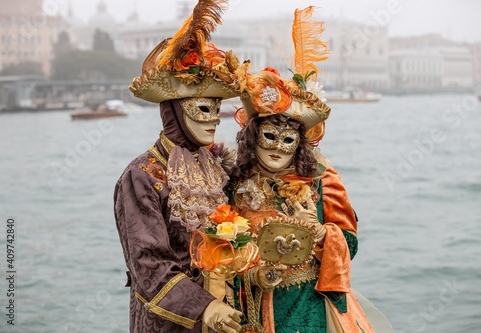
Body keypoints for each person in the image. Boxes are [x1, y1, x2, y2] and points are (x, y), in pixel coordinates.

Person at [228, 6, 392, 333]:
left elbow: (350, 244)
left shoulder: (321, 179)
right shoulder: (232, 182)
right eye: (269, 136)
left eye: (287, 139)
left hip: (312, 307)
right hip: (255, 306)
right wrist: (252, 273)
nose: (276, 147)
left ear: (299, 144)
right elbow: (218, 250)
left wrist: (319, 233)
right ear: (252, 138)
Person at [114, 1, 245, 332]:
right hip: (170, 323)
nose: (214, 119)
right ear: (173, 111)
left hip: (225, 315)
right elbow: (148, 264)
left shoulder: (216, 163)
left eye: (217, 108)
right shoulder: (141, 176)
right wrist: (204, 307)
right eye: (203, 108)